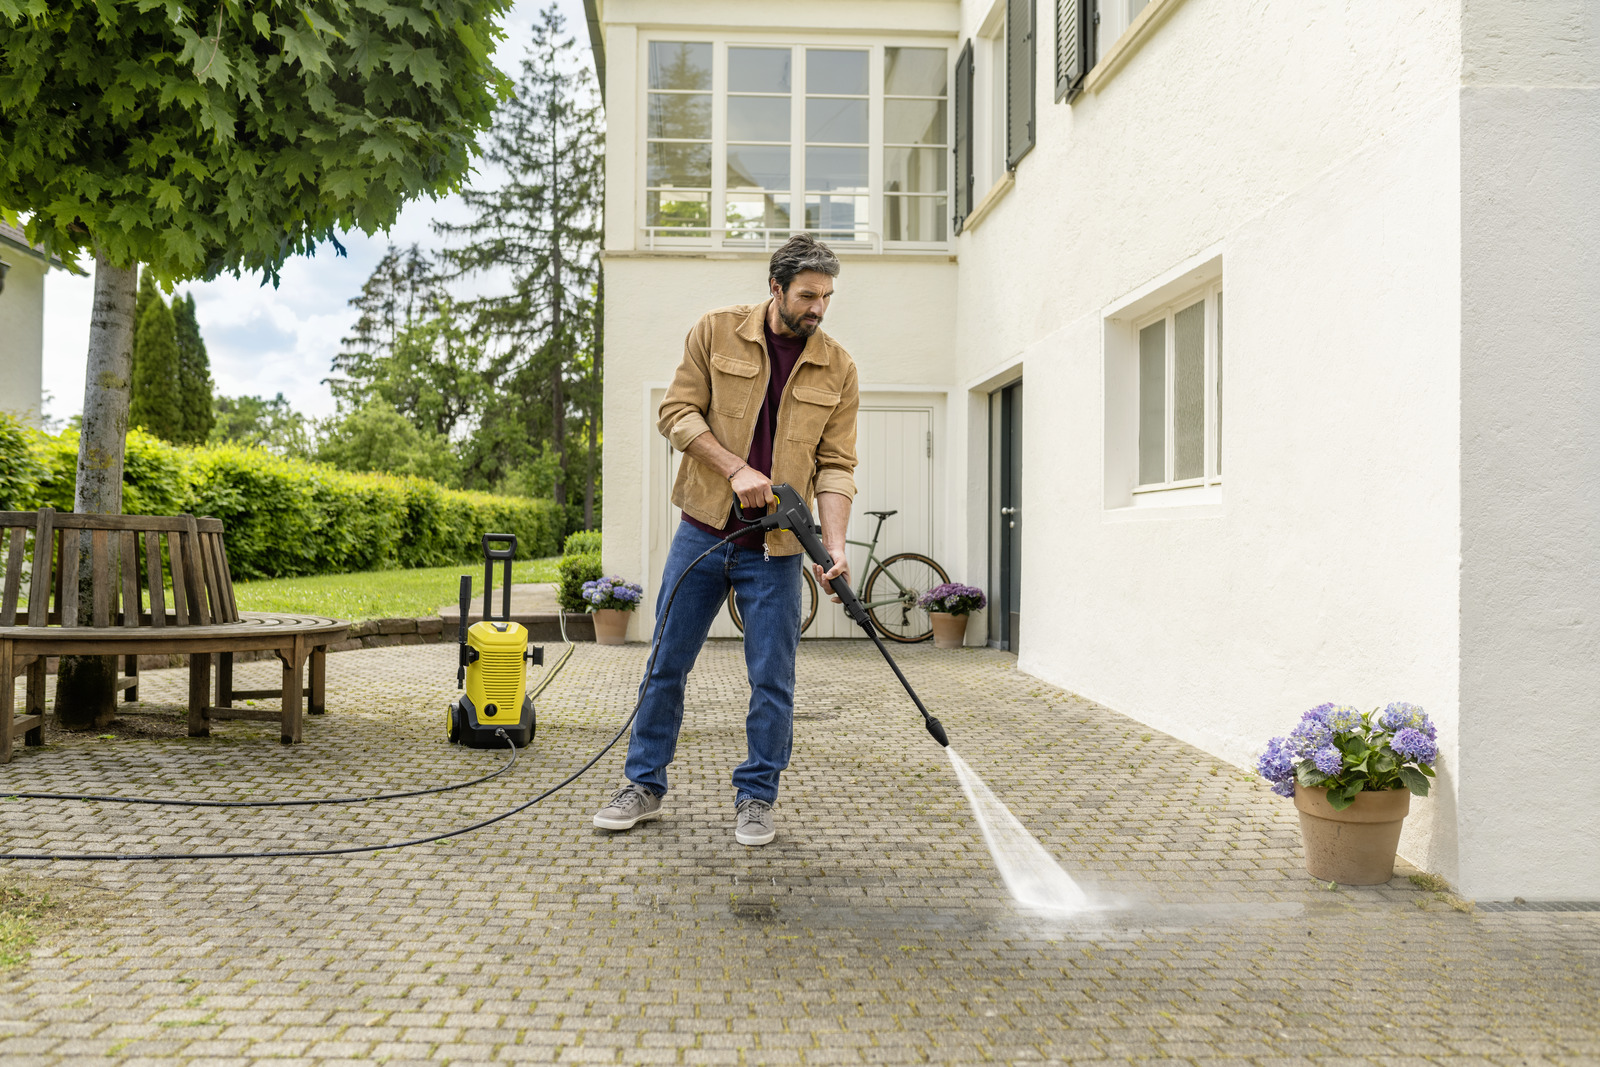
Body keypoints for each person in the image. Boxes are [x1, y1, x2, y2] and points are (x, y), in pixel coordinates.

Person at [593, 233, 860, 846]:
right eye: (807, 295)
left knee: (773, 679)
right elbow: (676, 413)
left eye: (827, 296)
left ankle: (757, 796)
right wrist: (735, 468)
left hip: (778, 549)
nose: (818, 308)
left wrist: (836, 545)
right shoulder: (716, 332)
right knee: (666, 664)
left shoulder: (839, 367)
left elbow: (837, 464)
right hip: (704, 533)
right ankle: (643, 784)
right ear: (776, 288)